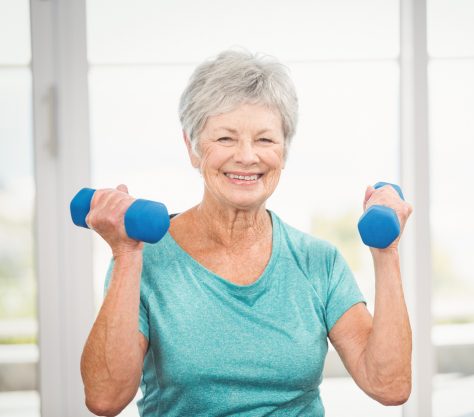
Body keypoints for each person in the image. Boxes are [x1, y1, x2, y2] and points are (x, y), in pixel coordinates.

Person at [80, 49, 413, 417]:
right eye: (225, 139)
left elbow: (390, 385)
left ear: (284, 151)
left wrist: (387, 254)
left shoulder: (318, 261)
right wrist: (126, 255)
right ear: (192, 147)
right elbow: (105, 399)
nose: (247, 156)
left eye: (265, 140)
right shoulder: (146, 259)